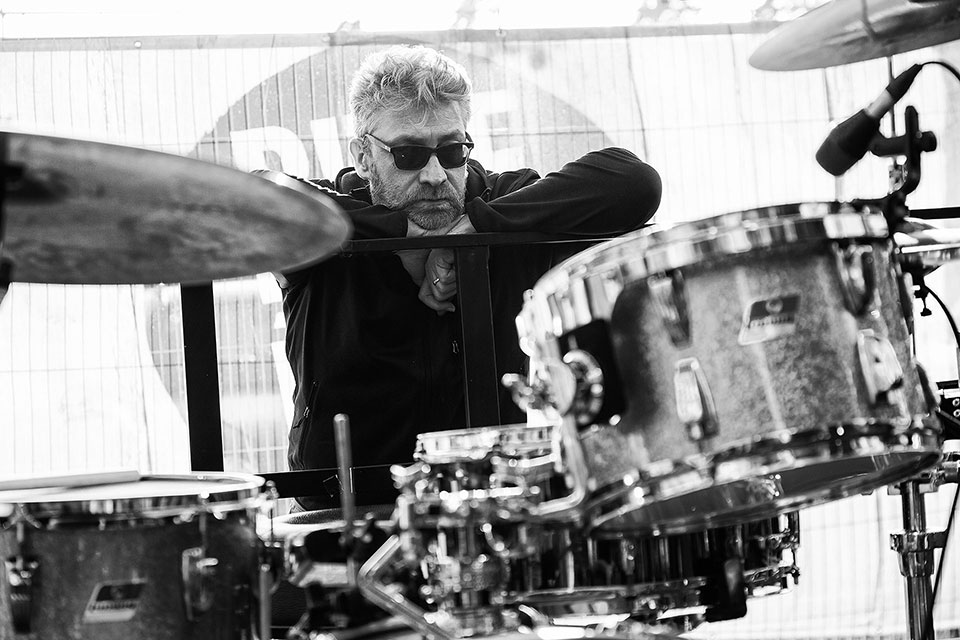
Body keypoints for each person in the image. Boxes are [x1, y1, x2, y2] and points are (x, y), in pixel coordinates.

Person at [277, 44, 661, 511]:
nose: (435, 175)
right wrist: (399, 232)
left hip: (490, 509)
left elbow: (635, 181)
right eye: (408, 154)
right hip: (342, 511)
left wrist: (475, 228)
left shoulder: (504, 202)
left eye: (452, 150)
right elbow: (252, 194)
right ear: (363, 156)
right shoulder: (320, 217)